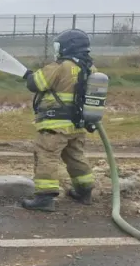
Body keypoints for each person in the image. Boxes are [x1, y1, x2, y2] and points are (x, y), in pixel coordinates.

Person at [20, 29, 97, 212]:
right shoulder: (90, 68)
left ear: (68, 47)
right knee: (75, 156)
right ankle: (84, 191)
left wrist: (29, 75)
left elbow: (36, 84)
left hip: (54, 125)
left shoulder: (61, 66)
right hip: (77, 125)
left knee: (46, 156)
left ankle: (44, 198)